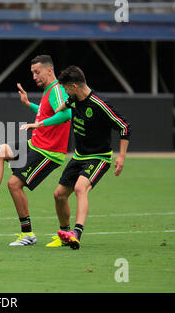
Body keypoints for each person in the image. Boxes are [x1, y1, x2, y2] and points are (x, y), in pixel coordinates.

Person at [0, 55, 72, 246]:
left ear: (49, 70)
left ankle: (27, 234)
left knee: (14, 184)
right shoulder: (49, 92)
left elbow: (67, 114)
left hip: (48, 152)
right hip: (36, 144)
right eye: (32, 73)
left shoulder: (57, 89)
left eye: (37, 72)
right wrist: (29, 105)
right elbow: (46, 113)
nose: (34, 76)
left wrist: (38, 124)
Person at [52, 65, 131, 250]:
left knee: (81, 188)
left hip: (99, 157)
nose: (64, 91)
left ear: (74, 86)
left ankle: (76, 234)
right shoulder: (73, 98)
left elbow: (125, 126)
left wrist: (122, 157)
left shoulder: (99, 105)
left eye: (65, 88)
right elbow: (62, 107)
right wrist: (57, 110)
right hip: (79, 157)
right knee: (59, 195)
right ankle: (65, 234)